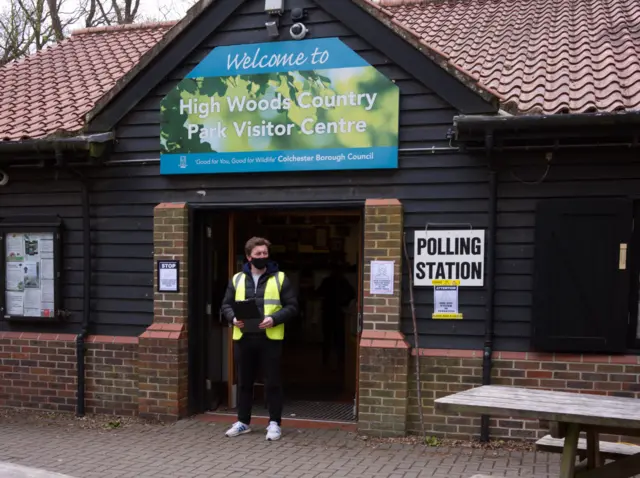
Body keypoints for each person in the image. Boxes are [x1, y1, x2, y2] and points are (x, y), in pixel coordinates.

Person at [220, 236, 298, 441]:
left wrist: (274, 318)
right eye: (258, 254)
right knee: (245, 382)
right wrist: (233, 318)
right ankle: (243, 422)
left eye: (265, 253)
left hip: (270, 338)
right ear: (248, 257)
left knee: (272, 382)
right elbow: (226, 305)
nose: (262, 256)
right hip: (244, 338)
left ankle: (274, 424)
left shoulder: (280, 278)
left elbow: (292, 307)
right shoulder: (236, 279)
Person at [316, 261, 356, 368]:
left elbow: (318, 293)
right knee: (339, 339)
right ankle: (341, 361)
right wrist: (345, 304)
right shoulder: (343, 281)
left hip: (328, 312)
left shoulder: (327, 281)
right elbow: (353, 294)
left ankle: (326, 361)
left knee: (327, 339)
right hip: (338, 312)